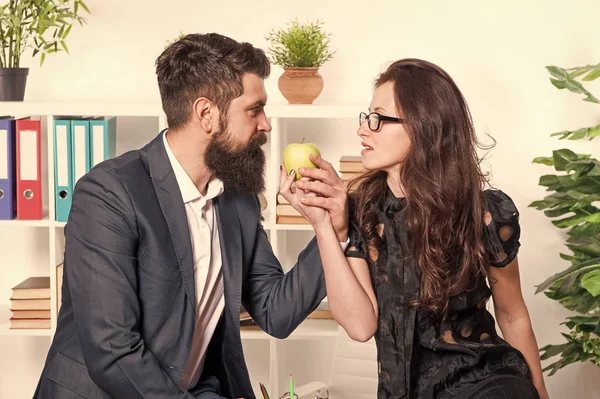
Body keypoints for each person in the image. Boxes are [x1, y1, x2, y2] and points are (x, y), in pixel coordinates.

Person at [33, 33, 349, 399]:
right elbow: (113, 352)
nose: (266, 125)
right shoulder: (108, 193)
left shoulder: (238, 200)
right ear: (206, 114)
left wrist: (331, 227)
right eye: (254, 109)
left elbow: (274, 311)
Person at [279, 58, 549, 399]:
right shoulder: (362, 211)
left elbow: (512, 314)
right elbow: (360, 326)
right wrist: (324, 225)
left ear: (422, 127)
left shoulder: (486, 212)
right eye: (366, 117)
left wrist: (541, 394)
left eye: (378, 119)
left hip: (486, 385)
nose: (363, 129)